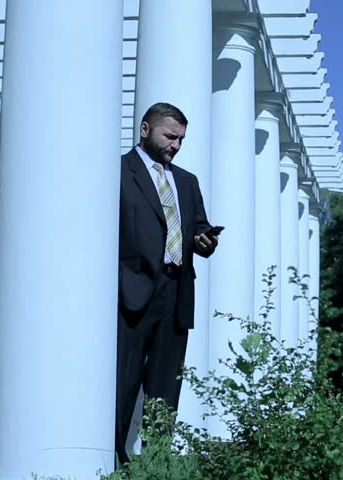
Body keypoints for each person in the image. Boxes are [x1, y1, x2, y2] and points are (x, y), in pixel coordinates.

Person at [115, 102, 218, 463]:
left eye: (181, 139)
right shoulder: (118, 171)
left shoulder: (187, 182)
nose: (175, 145)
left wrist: (205, 241)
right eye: (170, 136)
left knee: (165, 386)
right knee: (123, 383)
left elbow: (199, 228)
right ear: (145, 129)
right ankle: (114, 458)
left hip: (176, 292)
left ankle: (156, 463)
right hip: (131, 291)